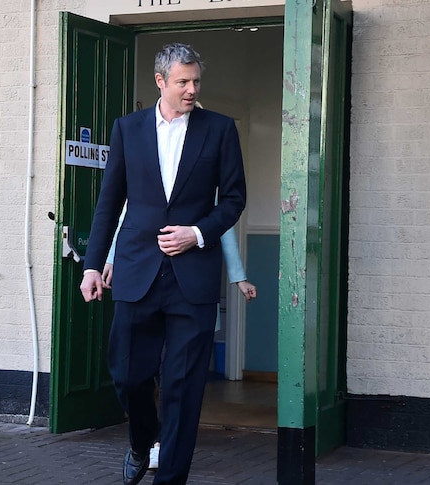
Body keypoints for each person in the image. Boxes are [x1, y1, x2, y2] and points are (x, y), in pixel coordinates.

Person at [79, 43, 246, 485]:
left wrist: (197, 233)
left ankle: (168, 478)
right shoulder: (128, 129)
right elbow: (109, 202)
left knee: (182, 388)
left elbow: (233, 200)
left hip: (194, 279)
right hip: (137, 272)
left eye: (196, 81)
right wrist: (93, 264)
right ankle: (141, 440)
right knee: (128, 374)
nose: (192, 89)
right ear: (160, 82)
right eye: (183, 82)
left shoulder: (220, 129)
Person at [103, 216, 257, 471]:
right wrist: (110, 259)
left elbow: (223, 225)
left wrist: (238, 277)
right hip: (145, 285)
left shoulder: (206, 179)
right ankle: (147, 437)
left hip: (190, 291)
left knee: (174, 375)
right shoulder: (145, 176)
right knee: (132, 372)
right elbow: (127, 216)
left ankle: (164, 445)